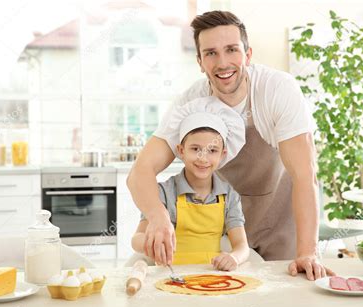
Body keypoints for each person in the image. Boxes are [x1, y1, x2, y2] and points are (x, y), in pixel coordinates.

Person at [127, 10, 334, 280]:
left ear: (247, 55)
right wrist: (157, 216)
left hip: (282, 223)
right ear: (200, 62)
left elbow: (305, 176)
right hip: (226, 226)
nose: (222, 62)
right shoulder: (190, 104)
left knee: (285, 298)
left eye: (231, 50)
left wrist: (309, 251)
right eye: (211, 53)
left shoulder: (277, 90)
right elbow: (139, 172)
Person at [131, 97, 250, 271]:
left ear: (222, 154)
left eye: (212, 150)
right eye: (195, 149)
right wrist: (152, 242)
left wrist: (233, 258)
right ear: (181, 151)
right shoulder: (163, 193)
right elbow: (136, 239)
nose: (203, 158)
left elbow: (242, 246)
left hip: (212, 278)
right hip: (169, 277)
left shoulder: (229, 196)